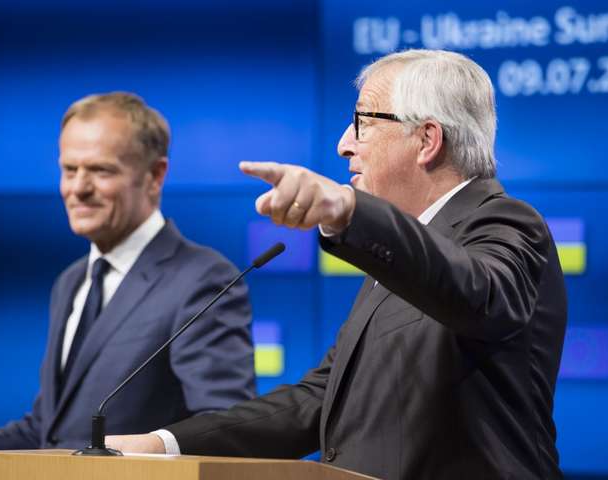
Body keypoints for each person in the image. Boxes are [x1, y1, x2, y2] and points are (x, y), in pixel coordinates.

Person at [108, 50, 567, 480]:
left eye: (363, 121)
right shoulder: (401, 258)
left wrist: (351, 212)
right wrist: (163, 444)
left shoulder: (505, 222)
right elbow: (321, 398)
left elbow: (479, 294)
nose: (344, 144)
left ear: (427, 140)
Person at [0, 92, 256, 450]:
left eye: (101, 170)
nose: (78, 188)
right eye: (69, 170)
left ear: (155, 175)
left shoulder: (202, 280)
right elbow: (47, 432)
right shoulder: (70, 282)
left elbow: (222, 424)